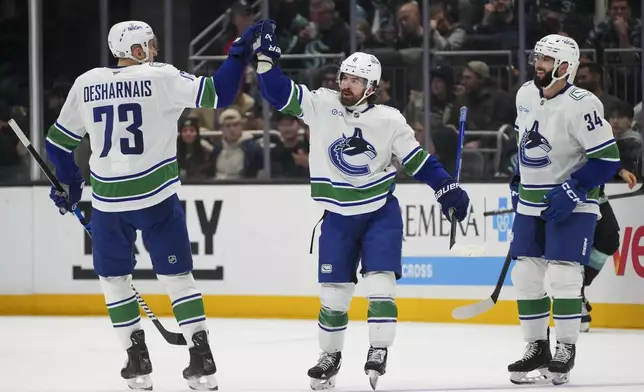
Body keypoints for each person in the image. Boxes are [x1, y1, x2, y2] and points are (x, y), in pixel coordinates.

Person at [44, 20, 263, 391]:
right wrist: (239, 52)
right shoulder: (160, 76)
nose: (156, 51)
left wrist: (69, 182)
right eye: (151, 44)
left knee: (114, 281)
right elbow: (220, 92)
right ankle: (202, 357)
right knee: (177, 278)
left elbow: (57, 142)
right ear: (139, 50)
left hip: (109, 202)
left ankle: (137, 361)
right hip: (156, 199)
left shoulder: (85, 82)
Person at [252, 20, 471, 391]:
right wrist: (266, 62)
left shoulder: (389, 119)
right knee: (333, 293)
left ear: (372, 87)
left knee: (381, 283)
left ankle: (379, 349)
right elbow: (278, 94)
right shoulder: (321, 105)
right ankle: (330, 356)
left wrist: (446, 187)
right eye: (344, 77)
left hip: (378, 213)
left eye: (355, 80)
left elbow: (418, 161)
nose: (346, 84)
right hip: (337, 217)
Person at [508, 34, 620, 386]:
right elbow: (524, 139)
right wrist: (518, 176)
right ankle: (536, 347)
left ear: (566, 67)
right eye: (537, 58)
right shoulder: (525, 94)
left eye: (547, 60)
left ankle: (565, 348)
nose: (538, 65)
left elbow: (607, 158)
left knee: (564, 276)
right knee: (526, 276)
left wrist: (573, 189)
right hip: (531, 201)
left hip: (574, 202)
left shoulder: (583, 103)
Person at [580, 101, 642, 332]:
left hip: (596, 194)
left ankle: (576, 288)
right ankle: (574, 299)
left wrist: (621, 170)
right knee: (574, 249)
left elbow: (605, 156)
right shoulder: (564, 126)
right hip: (570, 195)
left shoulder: (598, 128)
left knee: (609, 240)